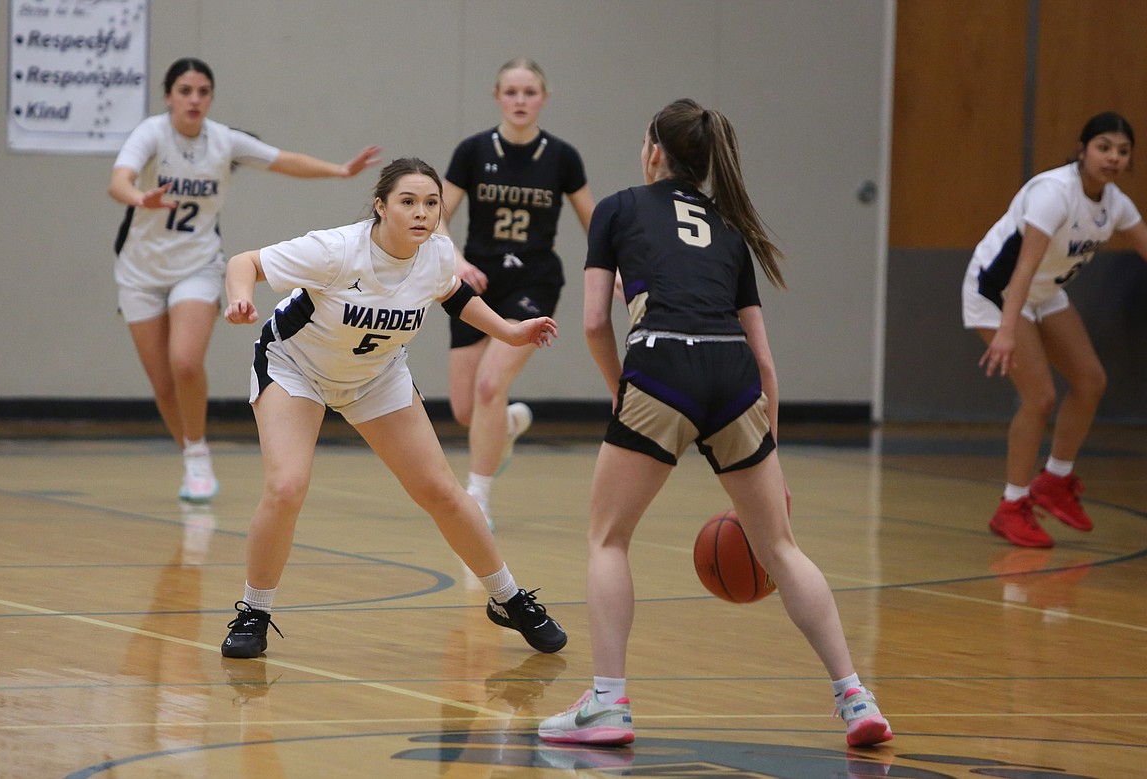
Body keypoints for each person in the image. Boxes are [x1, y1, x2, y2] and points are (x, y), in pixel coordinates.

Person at [536, 99, 892, 748]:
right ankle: (855, 696)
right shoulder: (728, 228)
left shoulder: (617, 207)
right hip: (733, 376)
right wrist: (771, 457)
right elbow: (764, 360)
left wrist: (625, 391)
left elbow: (593, 322)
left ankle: (608, 703)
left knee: (609, 538)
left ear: (653, 152)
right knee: (780, 547)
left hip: (662, 363)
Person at [218, 157, 567, 659]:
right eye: (408, 201)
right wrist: (238, 299)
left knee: (441, 491)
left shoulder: (437, 255)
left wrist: (510, 330)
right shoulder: (336, 250)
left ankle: (508, 598)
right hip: (295, 368)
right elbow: (243, 263)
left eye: (431, 203)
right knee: (287, 486)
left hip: (375, 377)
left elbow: (454, 294)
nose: (421, 212)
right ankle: (254, 611)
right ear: (381, 207)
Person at [108, 57, 382, 502]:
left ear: (210, 97)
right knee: (161, 381)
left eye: (202, 91)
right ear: (168, 97)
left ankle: (198, 457)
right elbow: (118, 181)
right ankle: (188, 451)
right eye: (185, 91)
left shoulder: (223, 141)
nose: (194, 99)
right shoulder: (152, 134)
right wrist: (141, 197)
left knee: (185, 362)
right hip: (139, 271)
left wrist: (340, 170)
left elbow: (283, 160)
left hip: (197, 265)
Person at [963, 111, 1147, 548]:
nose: (1113, 157)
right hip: (997, 291)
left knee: (1090, 381)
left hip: (1043, 294)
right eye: (1104, 147)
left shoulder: (1116, 205)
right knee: (1040, 397)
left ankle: (1055, 481)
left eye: (1123, 151)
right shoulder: (1055, 193)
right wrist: (1006, 331)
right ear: (1083, 149)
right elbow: (1025, 265)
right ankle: (1011, 505)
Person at [437, 57, 595, 530]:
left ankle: (478, 496)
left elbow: (595, 222)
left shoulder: (562, 157)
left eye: (530, 92)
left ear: (544, 98)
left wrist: (617, 272)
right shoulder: (472, 151)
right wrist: (458, 260)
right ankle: (506, 426)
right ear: (497, 97)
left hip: (534, 280)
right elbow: (438, 214)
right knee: (467, 410)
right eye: (511, 92)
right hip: (476, 282)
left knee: (491, 385)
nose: (521, 100)